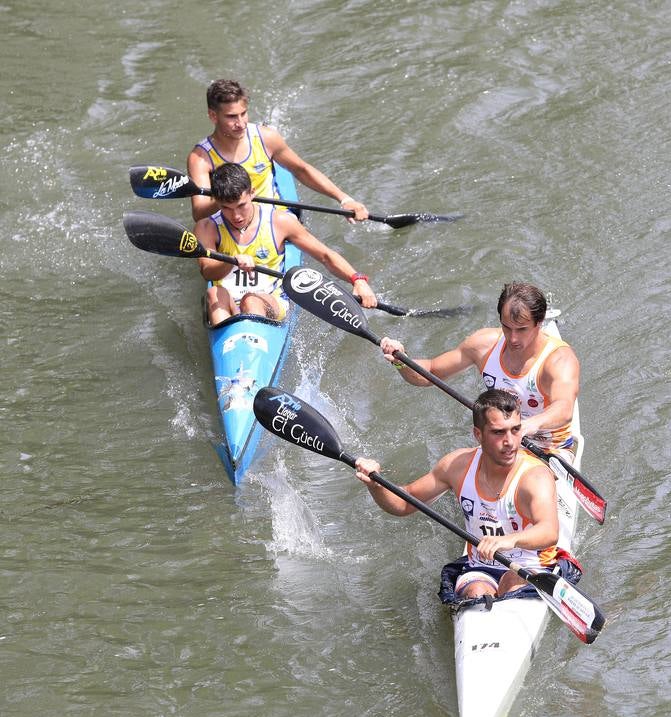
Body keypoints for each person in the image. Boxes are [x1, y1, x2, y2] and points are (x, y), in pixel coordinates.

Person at [354, 389, 581, 604]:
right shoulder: (456, 466)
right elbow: (404, 503)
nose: (510, 442)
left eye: (515, 430)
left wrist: (507, 541)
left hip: (529, 567)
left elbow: (549, 531)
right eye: (498, 432)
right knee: (475, 594)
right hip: (480, 567)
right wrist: (376, 485)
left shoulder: (535, 476)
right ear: (478, 435)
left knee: (512, 582)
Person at [380, 282, 580, 454]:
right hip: (501, 444)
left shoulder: (559, 360)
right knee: (450, 469)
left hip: (548, 448)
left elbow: (564, 408)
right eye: (507, 327)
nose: (513, 339)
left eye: (521, 330)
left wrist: (527, 426)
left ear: (539, 322)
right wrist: (401, 360)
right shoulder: (483, 345)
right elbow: (429, 373)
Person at [194, 163, 378, 325]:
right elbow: (207, 271)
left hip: (270, 300)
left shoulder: (279, 222)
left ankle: (252, 351)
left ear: (252, 193)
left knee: (251, 300)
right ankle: (231, 349)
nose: (236, 216)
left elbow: (325, 256)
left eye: (241, 205)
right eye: (227, 208)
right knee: (213, 293)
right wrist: (231, 261)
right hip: (228, 303)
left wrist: (357, 280)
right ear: (217, 202)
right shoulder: (206, 227)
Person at [187, 79, 369, 223]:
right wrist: (227, 199)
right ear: (213, 116)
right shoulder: (200, 159)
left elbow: (301, 170)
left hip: (272, 218)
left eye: (243, 113)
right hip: (232, 219)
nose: (241, 123)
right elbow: (199, 214)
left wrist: (344, 199)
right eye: (231, 117)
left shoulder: (267, 138)